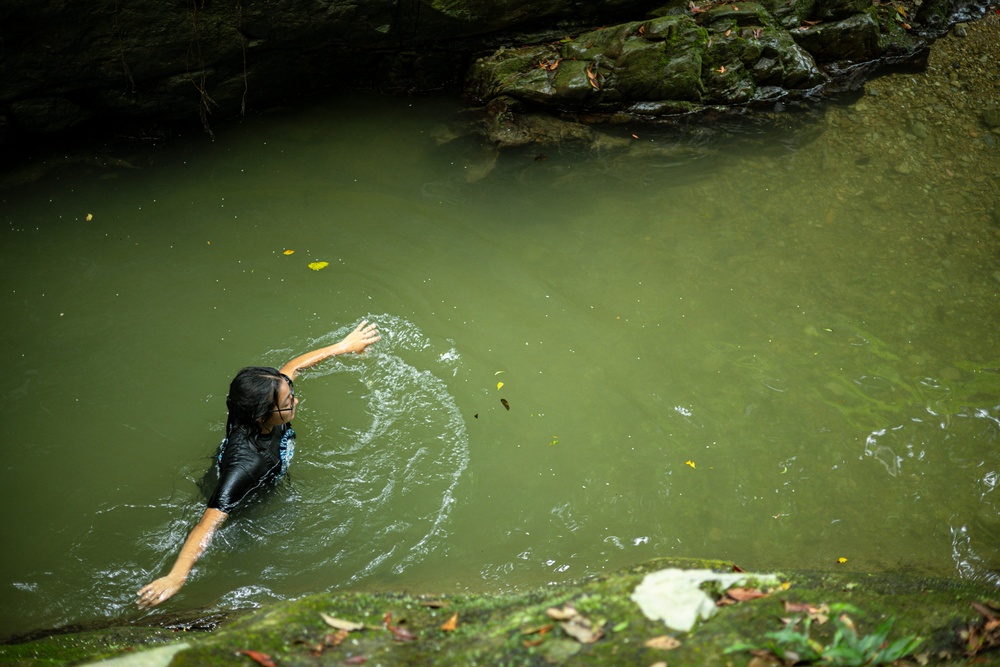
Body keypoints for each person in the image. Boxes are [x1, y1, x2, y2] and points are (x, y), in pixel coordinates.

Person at [137, 320, 380, 608]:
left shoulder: (257, 405)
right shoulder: (244, 467)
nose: (296, 401)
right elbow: (209, 522)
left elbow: (294, 367)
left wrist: (343, 347)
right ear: (263, 415)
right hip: (245, 496)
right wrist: (176, 577)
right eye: (288, 402)